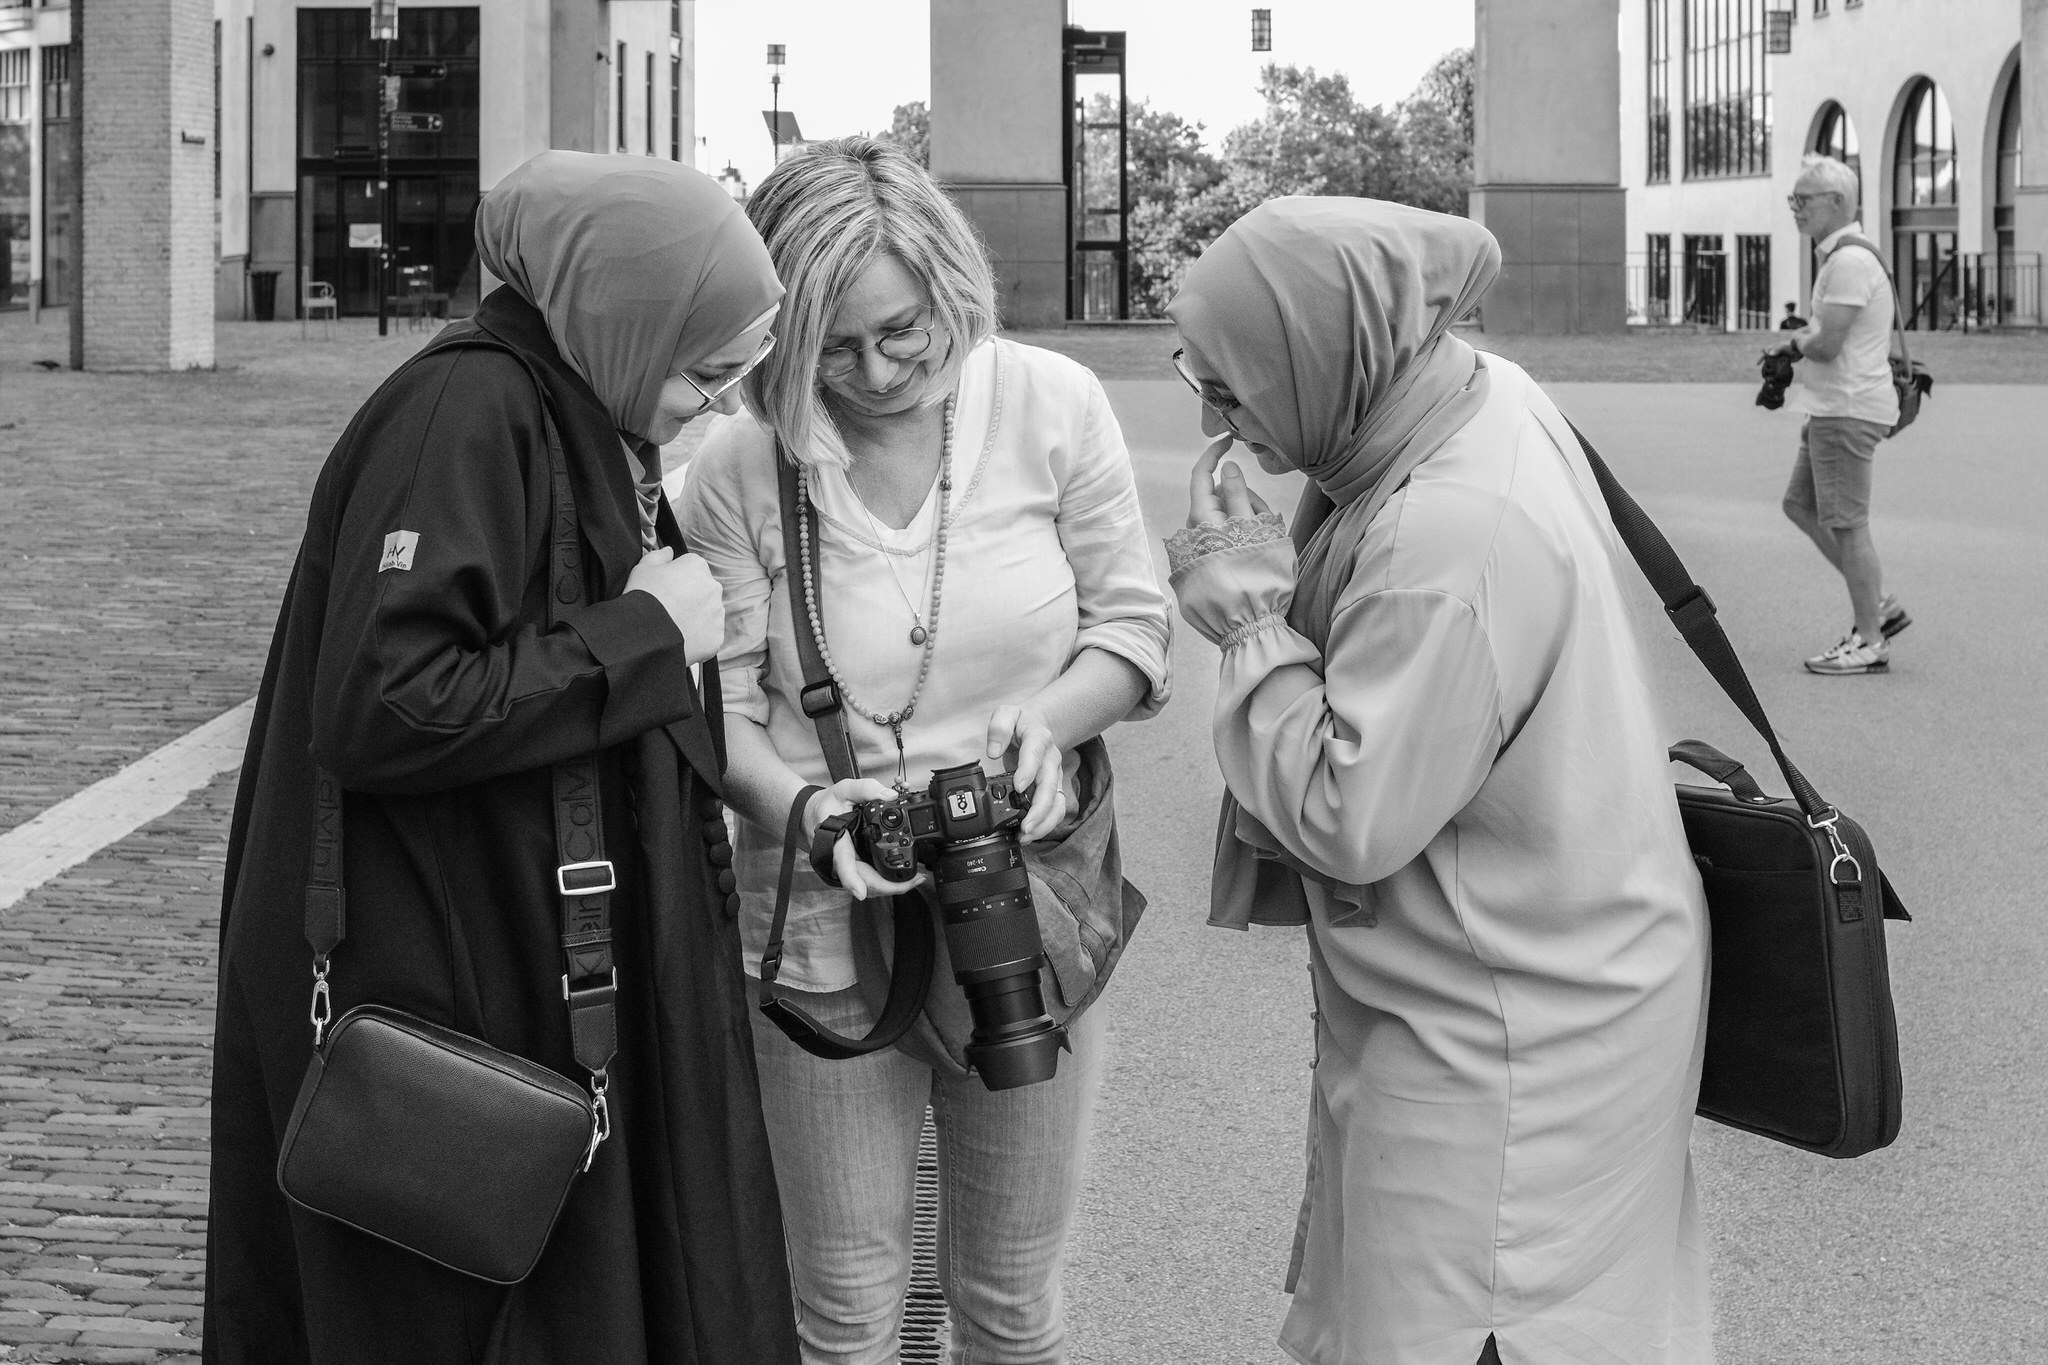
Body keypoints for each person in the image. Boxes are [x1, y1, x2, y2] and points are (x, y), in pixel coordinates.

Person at [203, 152, 801, 1365]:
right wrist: (648, 634)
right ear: (619, 318)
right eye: (702, 368)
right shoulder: (469, 411)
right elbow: (389, 699)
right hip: (461, 980)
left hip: (520, 967)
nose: (714, 406)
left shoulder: (566, 404)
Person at [1163, 197, 1712, 1365]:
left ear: (1326, 357)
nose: (1208, 413)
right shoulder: (1463, 391)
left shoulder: (1438, 537)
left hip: (1503, 1017)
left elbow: (1347, 815)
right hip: (1559, 960)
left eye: (1229, 382)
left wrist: (1249, 617)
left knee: (1471, 1324)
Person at [677, 136, 1171, 1364]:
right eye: (831, 348)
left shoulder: (1050, 402)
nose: (878, 370)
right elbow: (722, 711)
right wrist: (811, 812)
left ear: (953, 289)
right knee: (841, 1306)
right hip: (812, 917)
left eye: (904, 332)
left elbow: (1132, 622)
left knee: (1007, 1297)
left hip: (1024, 891)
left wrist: (1049, 726)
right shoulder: (738, 468)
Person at [1771, 153, 1910, 675]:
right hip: (1834, 407)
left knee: (1848, 526)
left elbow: (1828, 344)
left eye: (1802, 200)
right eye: (1794, 199)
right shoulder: (1841, 256)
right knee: (1798, 504)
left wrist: (1795, 341)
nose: (1795, 208)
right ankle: (1876, 604)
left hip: (1845, 409)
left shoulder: (1849, 261)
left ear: (1837, 202)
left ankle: (1870, 639)